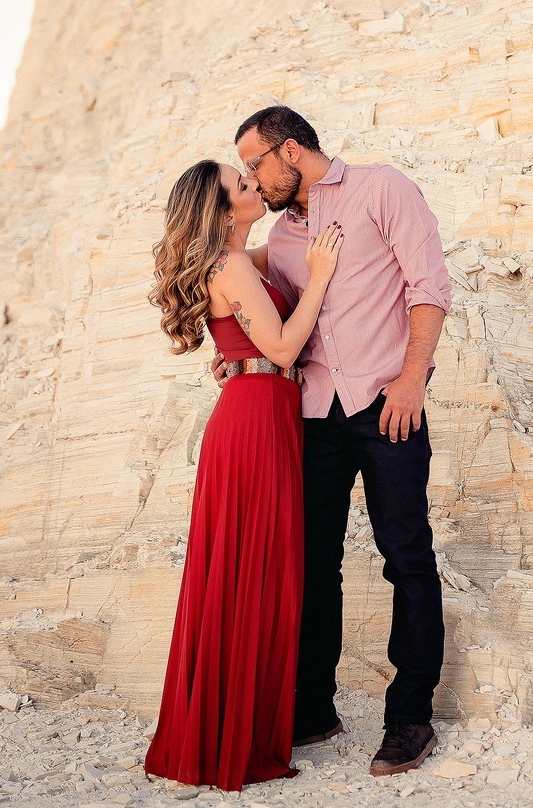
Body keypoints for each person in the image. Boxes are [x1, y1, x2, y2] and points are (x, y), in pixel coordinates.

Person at [213, 105, 452, 778]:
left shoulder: (382, 188)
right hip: (314, 414)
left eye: (255, 163)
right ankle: (314, 709)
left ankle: (410, 719)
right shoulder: (283, 236)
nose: (253, 180)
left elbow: (429, 287)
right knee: (313, 564)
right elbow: (234, 280)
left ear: (290, 150)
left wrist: (412, 380)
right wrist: (234, 352)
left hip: (387, 404)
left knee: (406, 555)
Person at [144, 159, 343, 792]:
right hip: (255, 423)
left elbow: (266, 279)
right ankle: (237, 737)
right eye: (242, 183)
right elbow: (281, 347)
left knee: (247, 569)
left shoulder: (235, 261)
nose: (255, 184)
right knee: (251, 570)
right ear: (224, 208)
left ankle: (234, 727)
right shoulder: (229, 266)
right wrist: (321, 276)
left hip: (259, 413)